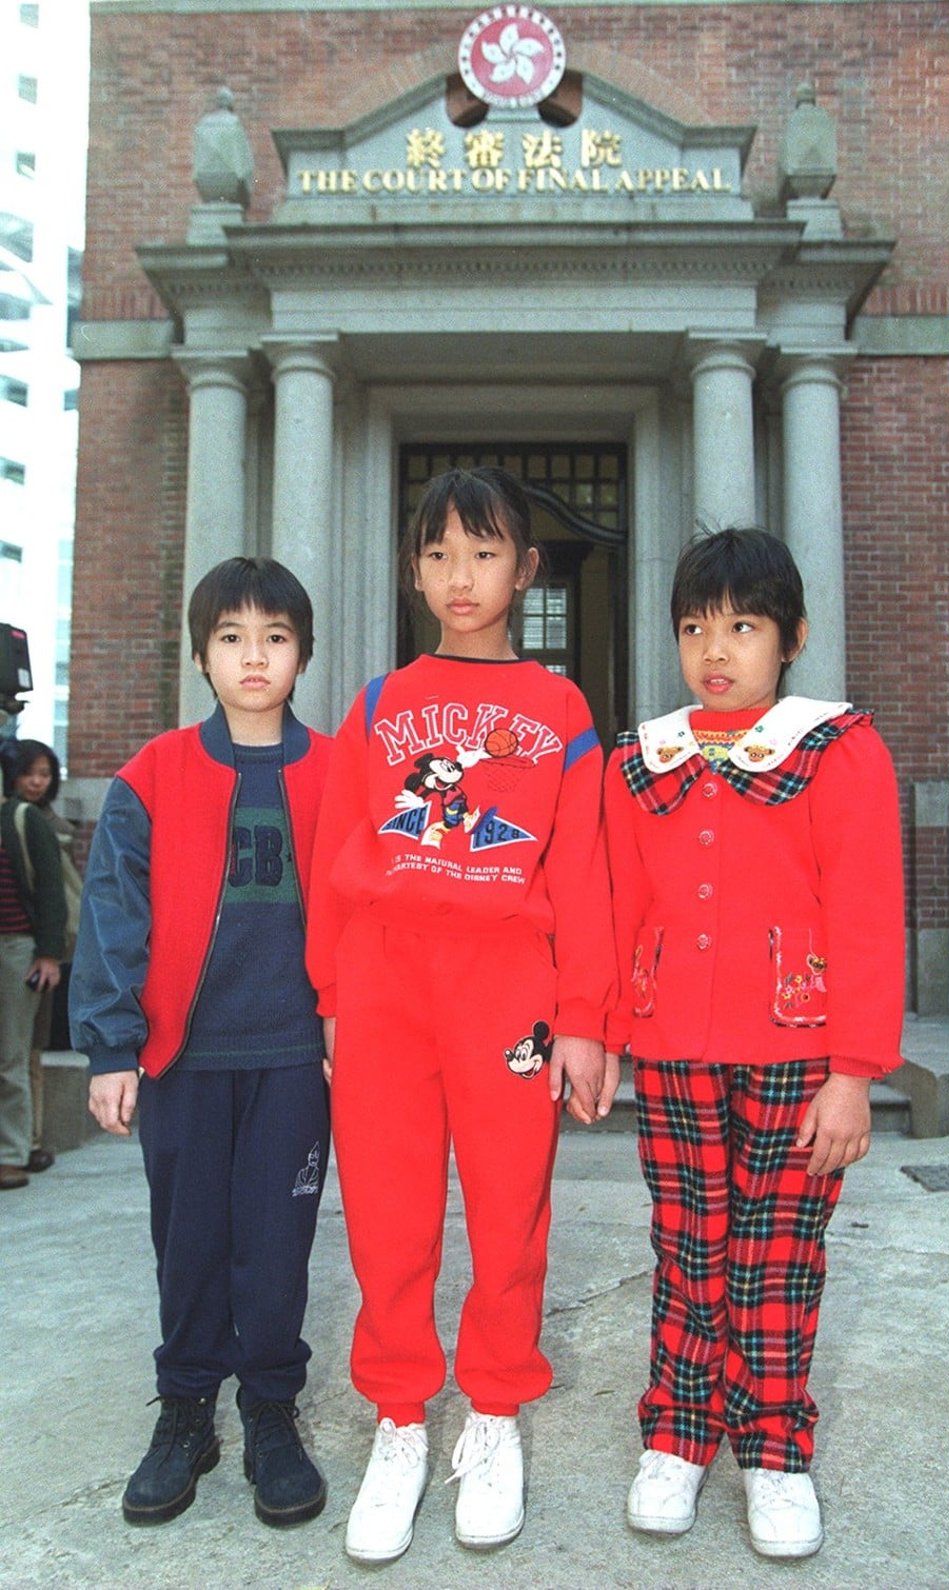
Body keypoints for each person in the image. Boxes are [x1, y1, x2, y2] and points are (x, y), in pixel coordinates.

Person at [306, 466, 617, 1564]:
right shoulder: (378, 706)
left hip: (507, 983)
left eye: (483, 553)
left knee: (506, 1205)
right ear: (414, 570)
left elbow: (582, 873)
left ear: (524, 568)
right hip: (385, 978)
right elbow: (334, 862)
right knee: (386, 1209)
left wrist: (584, 1016)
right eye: (438, 554)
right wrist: (334, 1000)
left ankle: (491, 1412)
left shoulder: (563, 709)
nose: (460, 576)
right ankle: (399, 1418)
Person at [604, 527, 904, 1560]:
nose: (715, 650)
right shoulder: (642, 760)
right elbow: (615, 908)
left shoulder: (839, 748)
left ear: (792, 637)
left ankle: (773, 1451)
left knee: (776, 1258)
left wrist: (855, 1073)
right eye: (694, 627)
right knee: (688, 1249)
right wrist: (604, 1034)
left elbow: (865, 911)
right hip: (672, 1046)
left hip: (795, 1049)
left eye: (742, 625)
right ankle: (679, 1437)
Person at [69, 557, 333, 1529]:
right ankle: (186, 1409)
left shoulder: (335, 772)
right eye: (231, 637)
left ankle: (269, 1408)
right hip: (182, 1058)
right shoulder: (156, 774)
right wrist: (108, 1047)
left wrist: (355, 1029)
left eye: (274, 636)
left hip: (293, 1058)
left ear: (303, 652)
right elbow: (112, 915)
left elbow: (361, 917)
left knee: (276, 1243)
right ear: (200, 657)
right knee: (189, 1244)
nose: (253, 656)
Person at [3, 738, 83, 1171]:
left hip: (25, 949)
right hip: (25, 950)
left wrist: (49, 954)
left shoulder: (27, 819)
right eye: (29, 773)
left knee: (18, 1052)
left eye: (44, 773)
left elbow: (52, 893)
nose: (37, 781)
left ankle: (17, 1151)